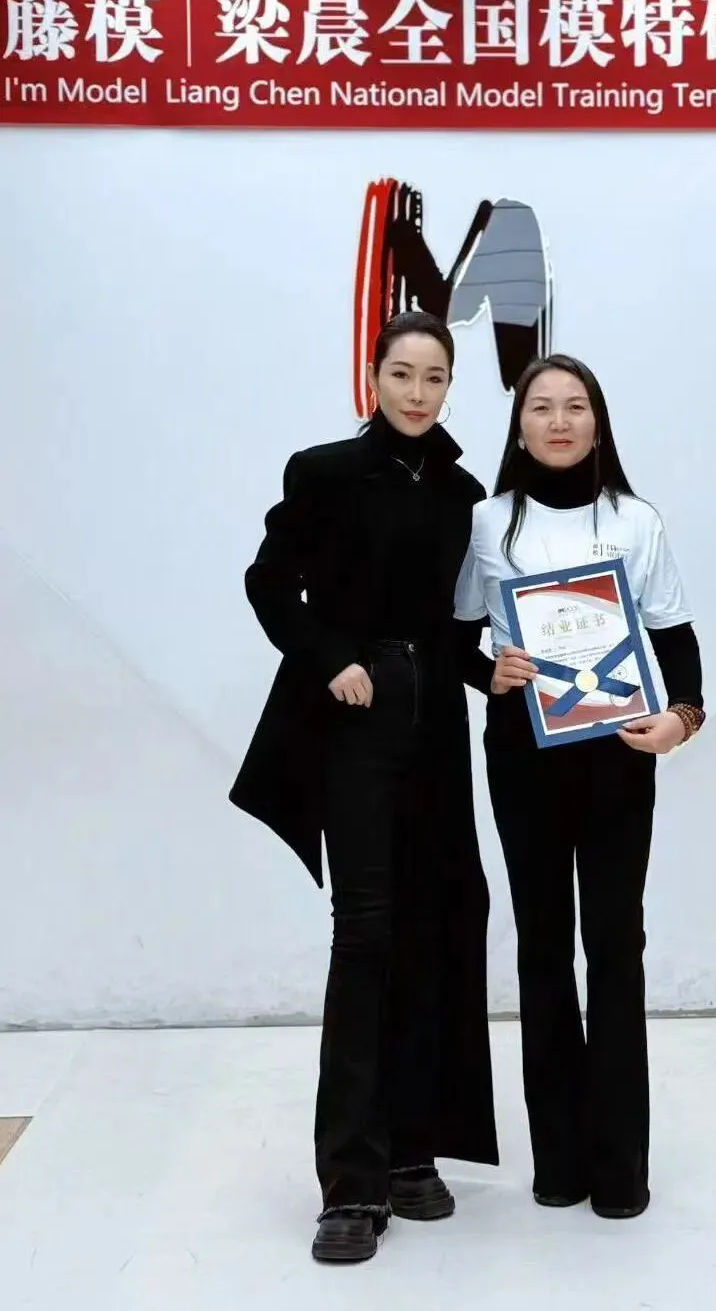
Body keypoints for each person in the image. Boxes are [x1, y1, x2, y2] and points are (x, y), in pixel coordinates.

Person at [230, 311, 499, 1264]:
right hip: (353, 720)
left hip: (436, 727)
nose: (418, 393)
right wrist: (330, 659)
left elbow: (457, 629)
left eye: (435, 378)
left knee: (435, 922)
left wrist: (498, 676)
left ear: (449, 386)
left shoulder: (464, 493)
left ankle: (411, 1151)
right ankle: (350, 1183)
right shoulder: (324, 472)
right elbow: (269, 583)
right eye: (403, 374)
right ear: (372, 378)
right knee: (367, 931)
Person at [454, 354, 705, 1220]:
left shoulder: (635, 521)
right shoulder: (489, 522)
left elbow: (675, 638)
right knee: (541, 948)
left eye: (574, 406)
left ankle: (620, 1167)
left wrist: (680, 719)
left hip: (616, 754)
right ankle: (557, 1161)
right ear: (518, 426)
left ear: (598, 423)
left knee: (614, 945)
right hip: (522, 753)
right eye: (541, 407)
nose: (558, 421)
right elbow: (452, 634)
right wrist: (489, 671)